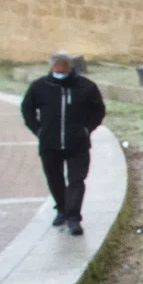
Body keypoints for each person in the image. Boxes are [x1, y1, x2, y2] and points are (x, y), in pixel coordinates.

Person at [21, 52, 106, 236]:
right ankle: (61, 209)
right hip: (49, 145)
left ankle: (74, 217)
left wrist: (86, 129)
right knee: (55, 178)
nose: (60, 69)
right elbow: (27, 110)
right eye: (57, 66)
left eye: (63, 66)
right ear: (52, 67)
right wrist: (39, 131)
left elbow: (98, 110)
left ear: (69, 66)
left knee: (76, 180)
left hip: (78, 144)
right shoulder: (39, 86)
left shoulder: (86, 86)